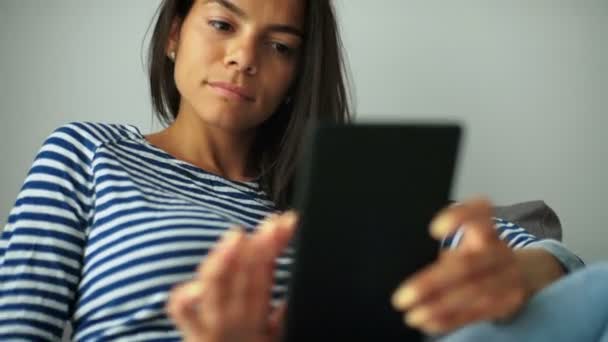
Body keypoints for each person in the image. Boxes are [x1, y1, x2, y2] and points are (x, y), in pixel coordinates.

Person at [0, 0, 585, 341]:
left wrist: (517, 274)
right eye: (223, 24)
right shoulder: (88, 153)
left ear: (297, 76)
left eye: (279, 46)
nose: (244, 58)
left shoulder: (341, 190)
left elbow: (562, 267)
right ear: (175, 33)